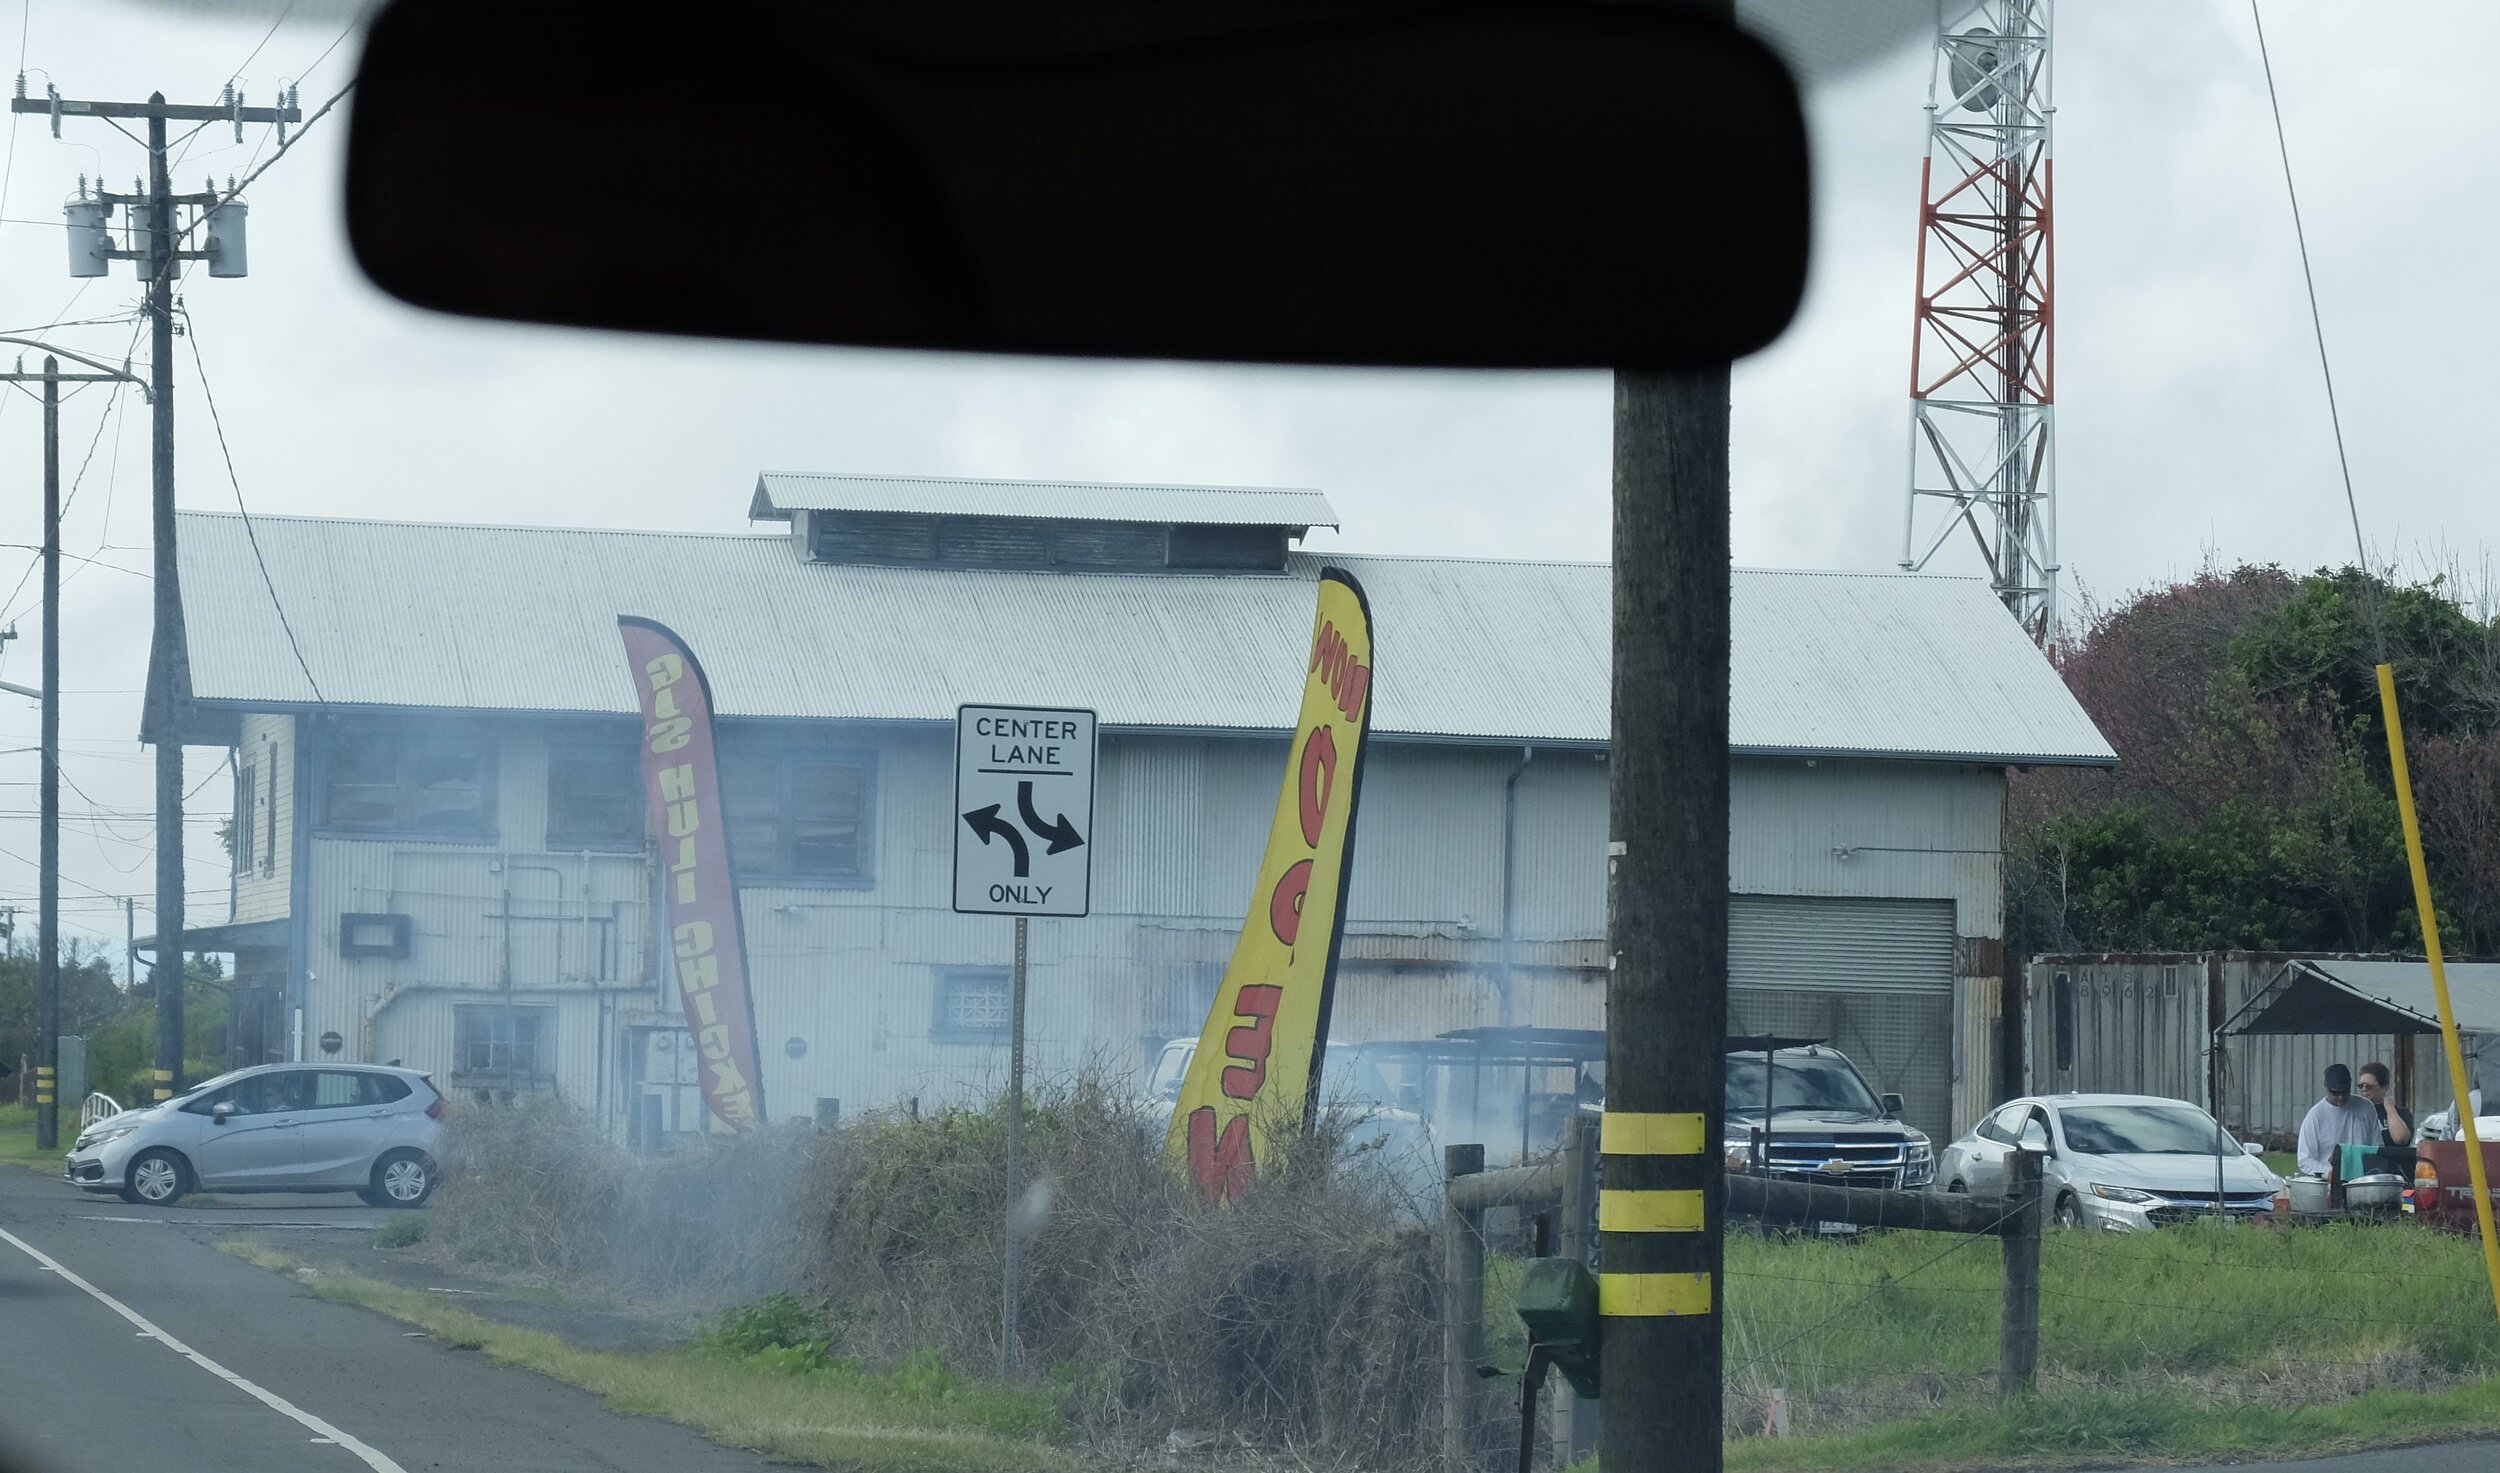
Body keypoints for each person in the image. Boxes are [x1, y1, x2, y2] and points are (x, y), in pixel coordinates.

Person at [2295, 1063, 2380, 1176]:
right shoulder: (2315, 1116)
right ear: (2326, 1088)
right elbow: (2305, 1159)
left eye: (2345, 1092)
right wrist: (2329, 1172)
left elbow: (2377, 1147)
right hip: (2330, 1182)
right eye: (2335, 1093)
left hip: (2364, 1178)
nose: (2340, 1097)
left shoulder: (2366, 1107)